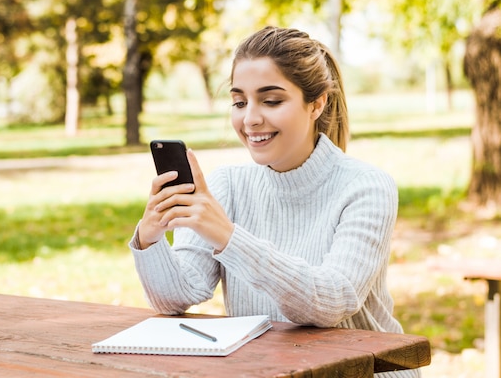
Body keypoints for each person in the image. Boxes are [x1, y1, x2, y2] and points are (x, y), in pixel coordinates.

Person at [129, 26, 420, 377]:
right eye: (239, 102)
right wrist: (150, 239)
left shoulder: (366, 186)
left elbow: (332, 301)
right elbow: (178, 295)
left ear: (317, 103)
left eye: (271, 100)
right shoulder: (228, 184)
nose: (250, 118)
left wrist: (228, 237)